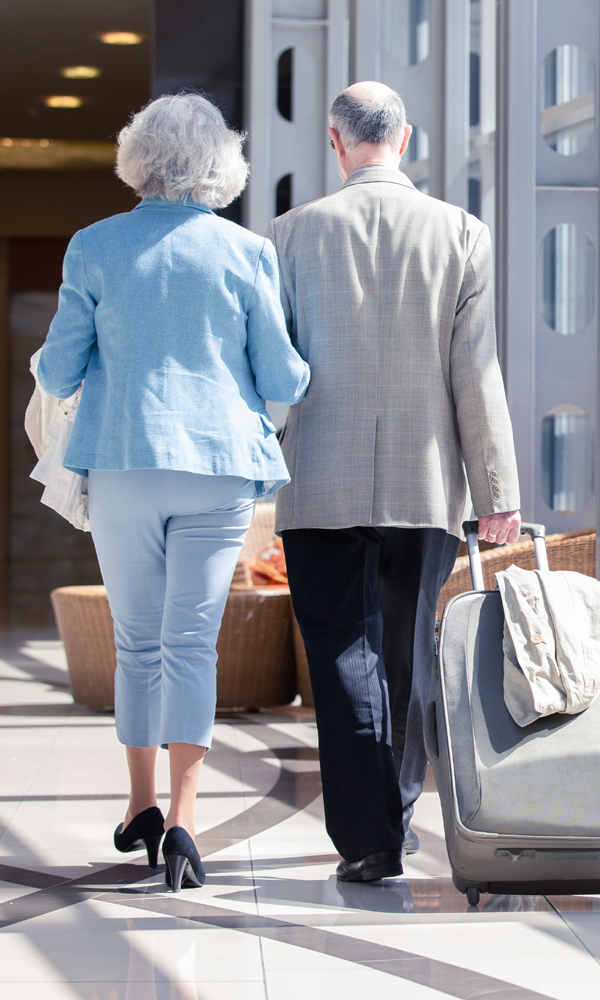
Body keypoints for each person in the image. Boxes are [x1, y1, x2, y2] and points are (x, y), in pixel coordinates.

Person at [37, 93, 310, 892]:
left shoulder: (93, 247)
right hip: (219, 466)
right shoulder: (246, 251)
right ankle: (189, 822)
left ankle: (141, 805)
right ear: (220, 164)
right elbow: (283, 375)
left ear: (137, 158)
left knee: (138, 643)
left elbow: (56, 370)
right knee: (192, 643)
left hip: (122, 461)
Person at [266, 82, 520, 882]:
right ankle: (398, 816)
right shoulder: (461, 233)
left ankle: (367, 838)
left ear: (335, 145)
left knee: (343, 650)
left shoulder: (288, 234)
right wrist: (497, 493)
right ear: (404, 140)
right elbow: (476, 376)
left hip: (319, 479)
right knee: (408, 653)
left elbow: (272, 374)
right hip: (426, 479)